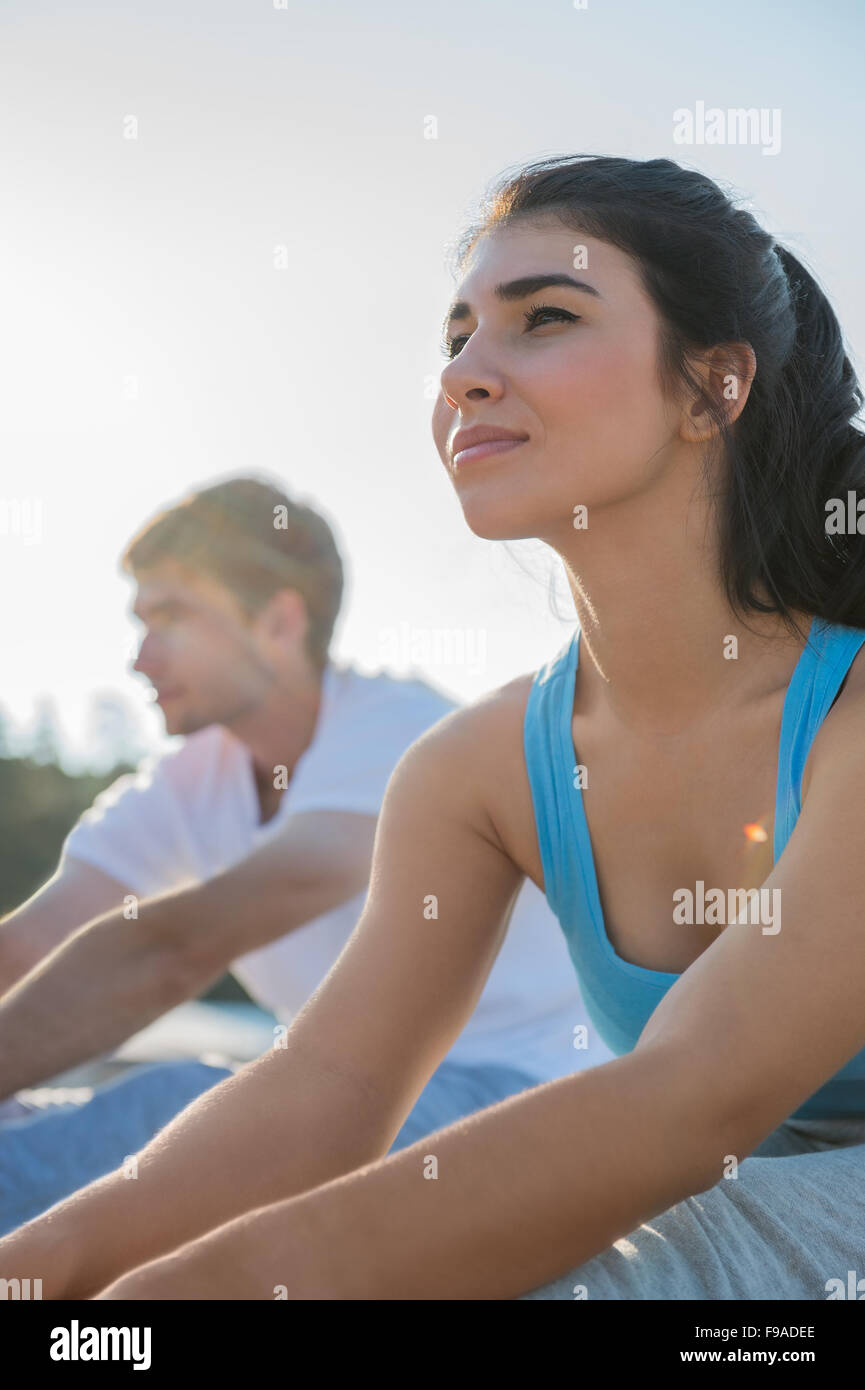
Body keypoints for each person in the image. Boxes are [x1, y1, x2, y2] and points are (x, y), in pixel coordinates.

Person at [3, 151, 865, 1301]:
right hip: (720, 1178)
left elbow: (692, 1091)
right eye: (455, 337)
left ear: (713, 386)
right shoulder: (482, 769)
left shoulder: (848, 710)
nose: (466, 373)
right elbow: (326, 1089)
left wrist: (189, 1294)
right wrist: (43, 1275)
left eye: (542, 318)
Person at [0, 476, 609, 1238]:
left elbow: (180, 949)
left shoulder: (399, 735)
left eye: (170, 618)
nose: (139, 658)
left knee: (165, 1108)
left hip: (521, 1098)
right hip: (342, 1093)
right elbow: (28, 945)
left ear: (279, 622)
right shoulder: (191, 782)